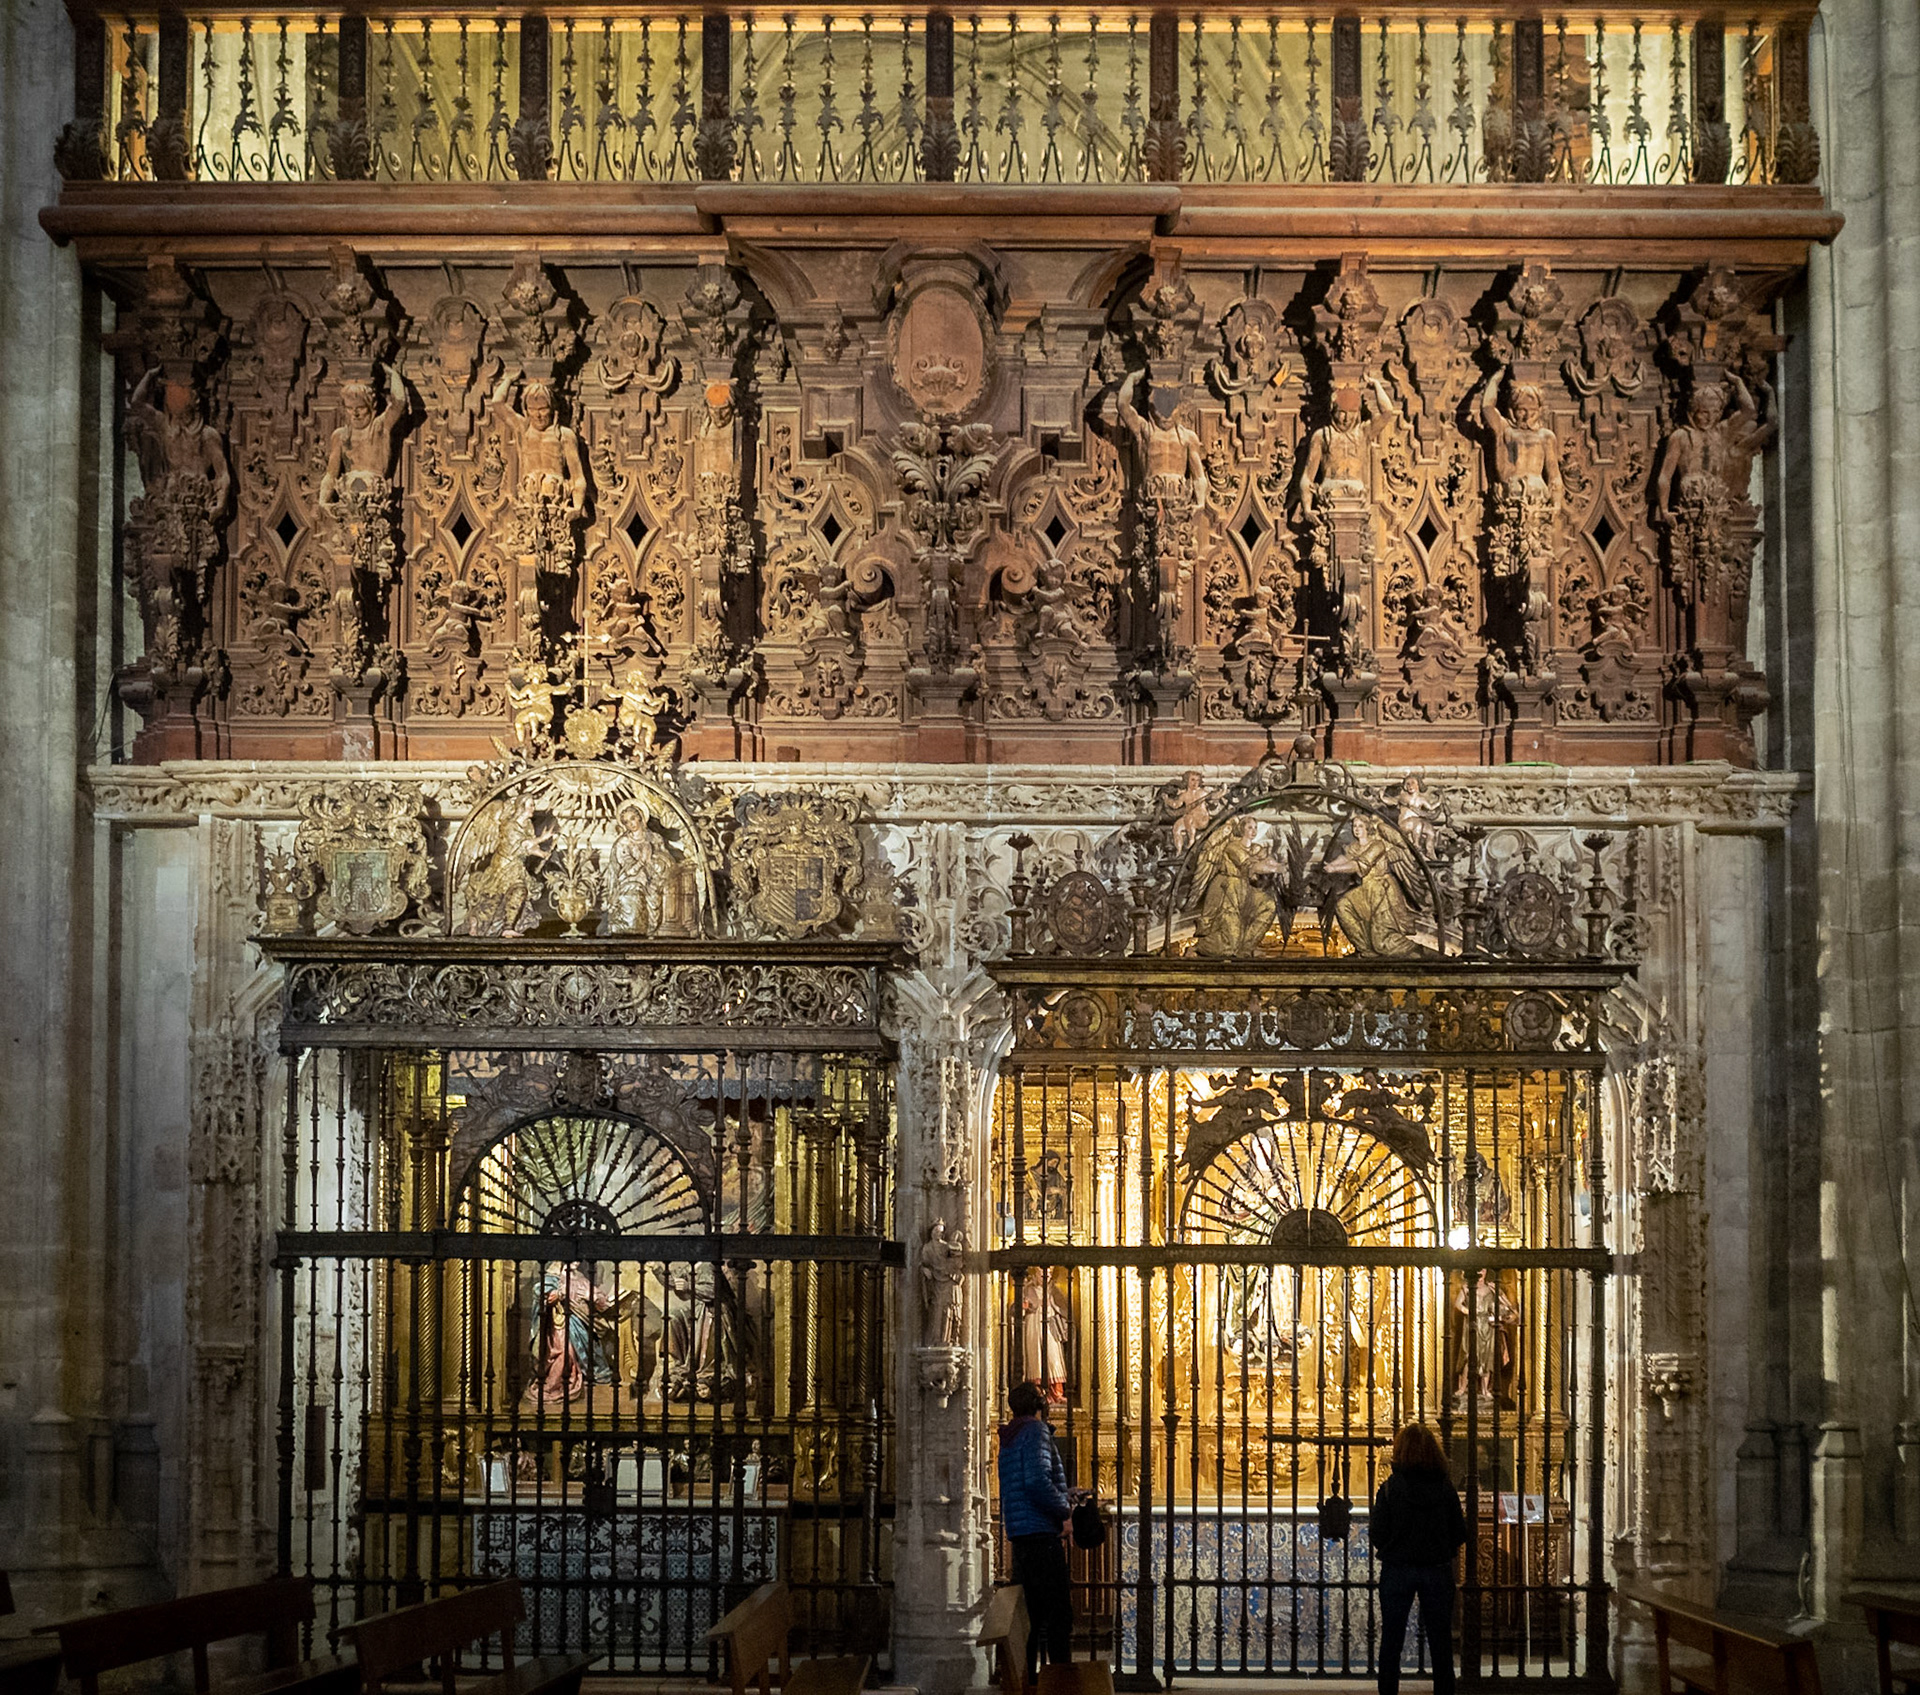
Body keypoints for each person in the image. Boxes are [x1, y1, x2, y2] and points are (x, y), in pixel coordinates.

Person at [1370, 1424, 1467, 1695]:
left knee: (1392, 1641)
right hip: (1436, 1570)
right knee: (1441, 1643)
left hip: (1398, 1569)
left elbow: (1377, 1533)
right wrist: (1440, 1549)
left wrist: (1396, 1549)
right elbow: (1459, 1531)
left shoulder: (1390, 1489)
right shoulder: (1445, 1488)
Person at [998, 1380, 1076, 1678]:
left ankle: (1027, 1681)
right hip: (1042, 1534)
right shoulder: (1035, 1431)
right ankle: (1060, 1681)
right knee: (1059, 1615)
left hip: (1021, 1534)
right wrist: (1064, 1506)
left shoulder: (1010, 1436)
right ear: (1039, 1405)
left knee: (1030, 1616)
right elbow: (1037, 1482)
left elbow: (1023, 1482)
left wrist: (1064, 1493)